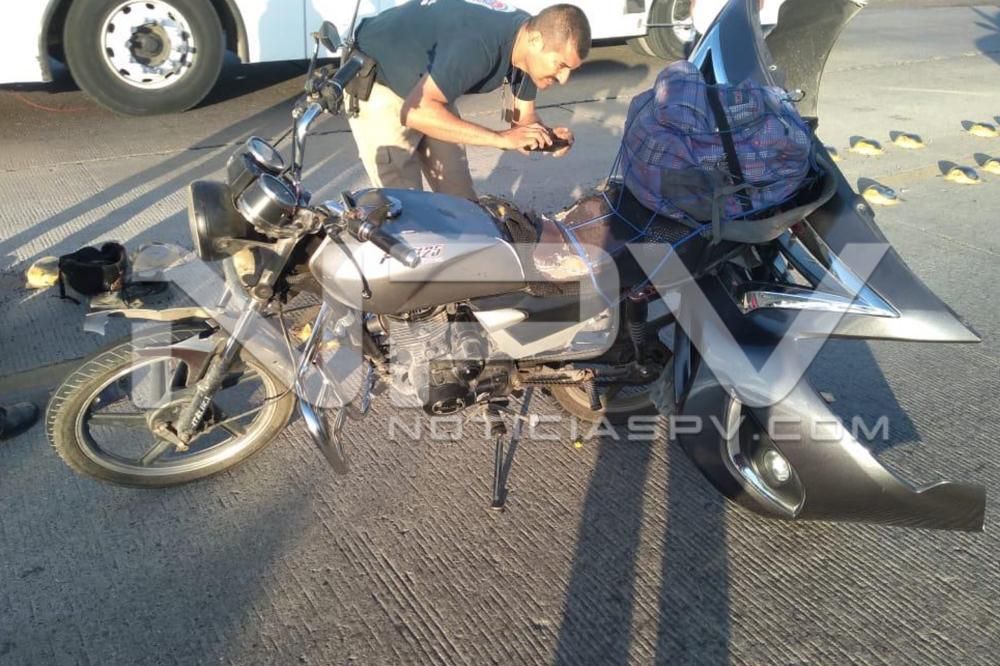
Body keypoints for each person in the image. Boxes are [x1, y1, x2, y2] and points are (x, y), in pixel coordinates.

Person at [346, 0, 592, 200]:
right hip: (381, 79)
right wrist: (501, 139)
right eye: (560, 65)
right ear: (536, 40)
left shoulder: (528, 47)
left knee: (460, 198)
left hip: (430, 84)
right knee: (405, 209)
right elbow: (415, 112)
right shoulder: (480, 44)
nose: (564, 79)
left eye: (571, 69)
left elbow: (522, 118)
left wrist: (544, 137)